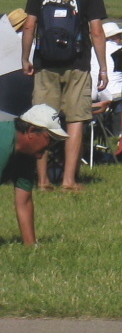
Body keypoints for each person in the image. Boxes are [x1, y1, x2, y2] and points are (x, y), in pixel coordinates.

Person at [19, 0, 108, 191]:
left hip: (45, 62)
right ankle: (69, 180)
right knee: (76, 119)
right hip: (77, 63)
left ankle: (43, 180)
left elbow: (29, 25)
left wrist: (26, 58)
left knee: (41, 120)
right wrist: (102, 67)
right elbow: (97, 32)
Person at [1, 105, 66, 245]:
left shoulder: (26, 154)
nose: (51, 146)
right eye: (50, 139)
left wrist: (31, 247)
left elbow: (24, 202)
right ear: (31, 132)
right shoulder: (3, 145)